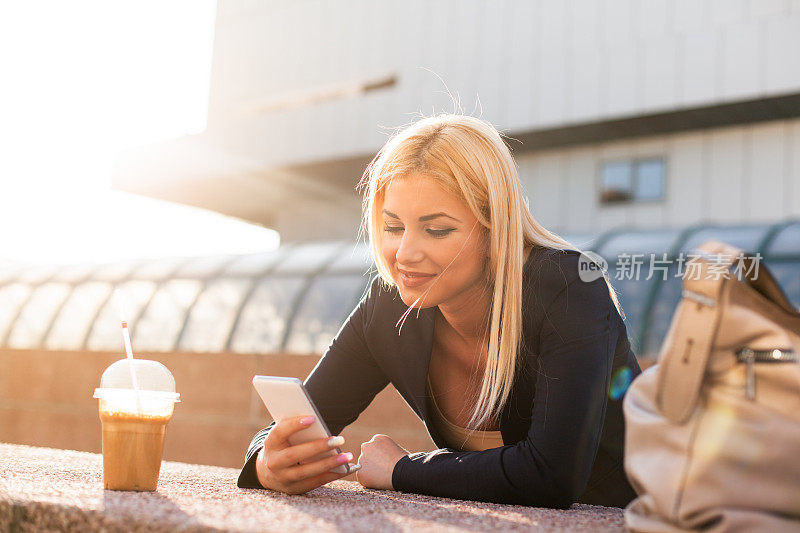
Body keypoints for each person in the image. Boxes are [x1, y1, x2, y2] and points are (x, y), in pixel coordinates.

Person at [237, 114, 641, 508]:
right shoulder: (388, 305)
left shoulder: (569, 287)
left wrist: (402, 470)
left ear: (493, 228)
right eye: (393, 227)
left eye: (437, 230)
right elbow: (295, 423)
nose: (405, 254)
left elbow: (552, 476)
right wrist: (267, 463)